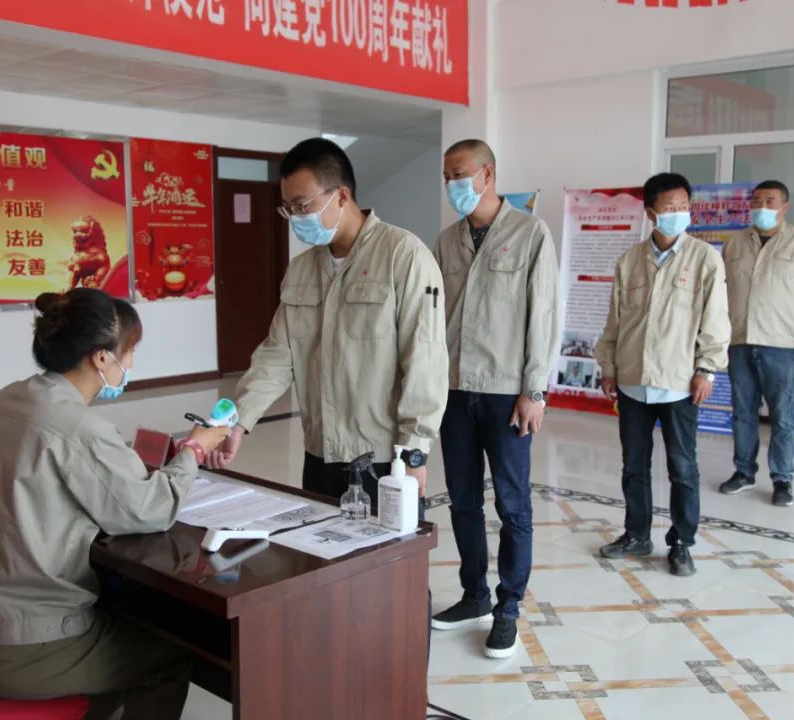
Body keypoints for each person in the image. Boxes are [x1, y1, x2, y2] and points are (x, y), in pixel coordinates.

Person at [0, 289, 231, 719]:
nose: (129, 364)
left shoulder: (5, 400)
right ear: (101, 357)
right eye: (129, 352)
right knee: (169, 657)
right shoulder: (79, 427)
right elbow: (150, 509)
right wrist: (193, 449)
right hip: (22, 650)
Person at [206, 137, 448, 516]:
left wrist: (414, 454)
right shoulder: (302, 269)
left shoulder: (404, 256)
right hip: (320, 453)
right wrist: (239, 421)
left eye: (302, 205)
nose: (296, 217)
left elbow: (425, 361)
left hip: (384, 459)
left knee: (386, 554)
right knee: (321, 549)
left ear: (341, 195)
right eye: (288, 208)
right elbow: (277, 355)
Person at [429, 139, 561, 659]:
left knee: (512, 504)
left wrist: (534, 391)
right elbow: (433, 317)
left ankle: (508, 608)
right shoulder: (446, 241)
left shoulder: (530, 233)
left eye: (459, 174)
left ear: (487, 174)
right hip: (455, 391)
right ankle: (474, 596)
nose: (452, 185)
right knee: (462, 500)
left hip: (507, 391)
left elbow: (543, 316)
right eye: (446, 176)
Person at [595, 173, 730, 577]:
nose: (678, 214)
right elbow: (615, 321)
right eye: (670, 208)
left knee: (683, 468)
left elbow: (716, 320)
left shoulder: (705, 259)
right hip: (633, 381)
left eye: (684, 207)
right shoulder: (630, 261)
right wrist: (608, 367)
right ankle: (637, 534)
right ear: (651, 213)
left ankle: (682, 542)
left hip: (679, 383)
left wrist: (707, 369)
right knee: (633, 466)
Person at [719, 180, 794, 507]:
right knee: (743, 413)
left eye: (770, 201)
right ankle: (744, 472)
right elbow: (720, 293)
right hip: (740, 341)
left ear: (784, 207)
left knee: (783, 417)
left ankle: (782, 479)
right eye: (756, 200)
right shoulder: (735, 243)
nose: (762, 207)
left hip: (782, 345)